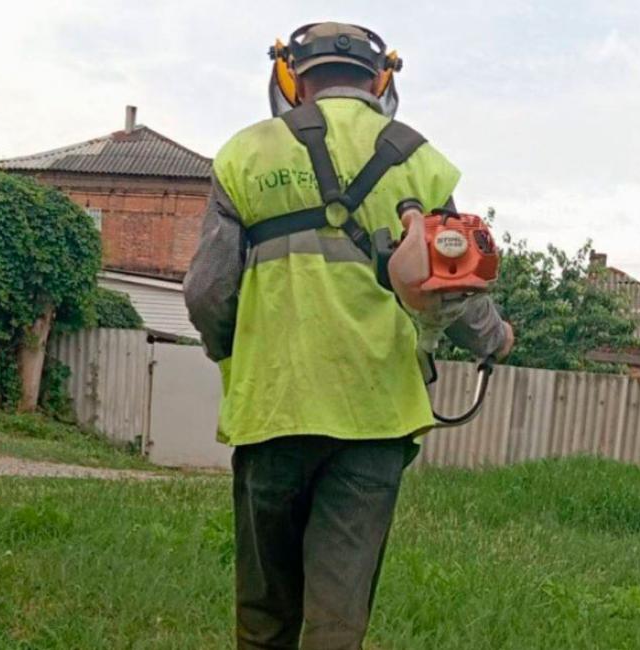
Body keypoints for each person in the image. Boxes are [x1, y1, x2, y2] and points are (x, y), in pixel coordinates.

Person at [184, 22, 513, 650]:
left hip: (272, 407)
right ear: (381, 81)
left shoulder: (246, 155)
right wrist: (496, 339)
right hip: (375, 421)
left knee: (264, 613)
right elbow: (457, 283)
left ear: (291, 79)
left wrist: (232, 351)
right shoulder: (420, 161)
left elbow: (207, 293)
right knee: (338, 620)